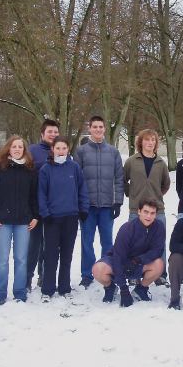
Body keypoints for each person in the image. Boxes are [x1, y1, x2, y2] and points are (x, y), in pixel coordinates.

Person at [0, 135, 39, 305]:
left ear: (24, 150)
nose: (17, 149)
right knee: (2, 260)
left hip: (24, 222)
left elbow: (34, 196)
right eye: (14, 146)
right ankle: (0, 293)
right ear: (8, 148)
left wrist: (35, 216)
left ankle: (20, 292)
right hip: (2, 222)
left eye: (20, 147)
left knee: (22, 259)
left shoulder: (30, 169)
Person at [75, 115, 124, 288]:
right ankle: (87, 274)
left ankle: (106, 271)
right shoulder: (81, 152)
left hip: (106, 206)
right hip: (88, 207)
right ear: (90, 129)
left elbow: (119, 179)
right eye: (94, 127)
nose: (97, 130)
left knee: (108, 242)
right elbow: (77, 180)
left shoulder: (113, 152)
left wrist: (118, 202)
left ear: (104, 129)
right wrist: (80, 205)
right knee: (86, 242)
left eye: (100, 127)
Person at [38, 136, 89, 302]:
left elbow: (82, 189)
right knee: (51, 254)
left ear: (68, 150)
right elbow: (41, 193)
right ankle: (48, 288)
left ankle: (64, 286)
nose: (61, 151)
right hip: (52, 218)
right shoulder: (46, 169)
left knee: (67, 254)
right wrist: (45, 213)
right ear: (53, 149)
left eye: (64, 148)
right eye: (58, 148)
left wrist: (83, 209)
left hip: (71, 217)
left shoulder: (74, 167)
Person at [92, 199, 165, 307]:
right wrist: (124, 289)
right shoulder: (127, 228)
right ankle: (110, 288)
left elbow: (157, 250)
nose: (148, 216)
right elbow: (118, 257)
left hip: (139, 263)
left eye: (152, 213)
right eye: (146, 212)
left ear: (156, 214)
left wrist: (139, 259)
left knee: (159, 264)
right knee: (97, 269)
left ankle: (141, 289)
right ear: (139, 211)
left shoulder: (159, 227)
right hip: (120, 261)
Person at [124, 129, 170, 285]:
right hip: (135, 210)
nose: (150, 143)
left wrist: (155, 197)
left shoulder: (161, 163)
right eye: (147, 140)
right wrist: (133, 195)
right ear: (140, 142)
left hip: (158, 211)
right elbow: (123, 180)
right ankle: (133, 273)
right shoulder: (131, 161)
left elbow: (166, 184)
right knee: (133, 243)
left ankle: (160, 274)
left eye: (153, 140)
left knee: (159, 242)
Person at [27, 119, 60, 290]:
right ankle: (27, 279)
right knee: (34, 245)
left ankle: (43, 276)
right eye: (50, 132)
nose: (53, 135)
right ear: (42, 134)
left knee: (49, 245)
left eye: (55, 132)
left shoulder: (61, 152)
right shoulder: (32, 150)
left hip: (54, 206)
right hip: (35, 206)